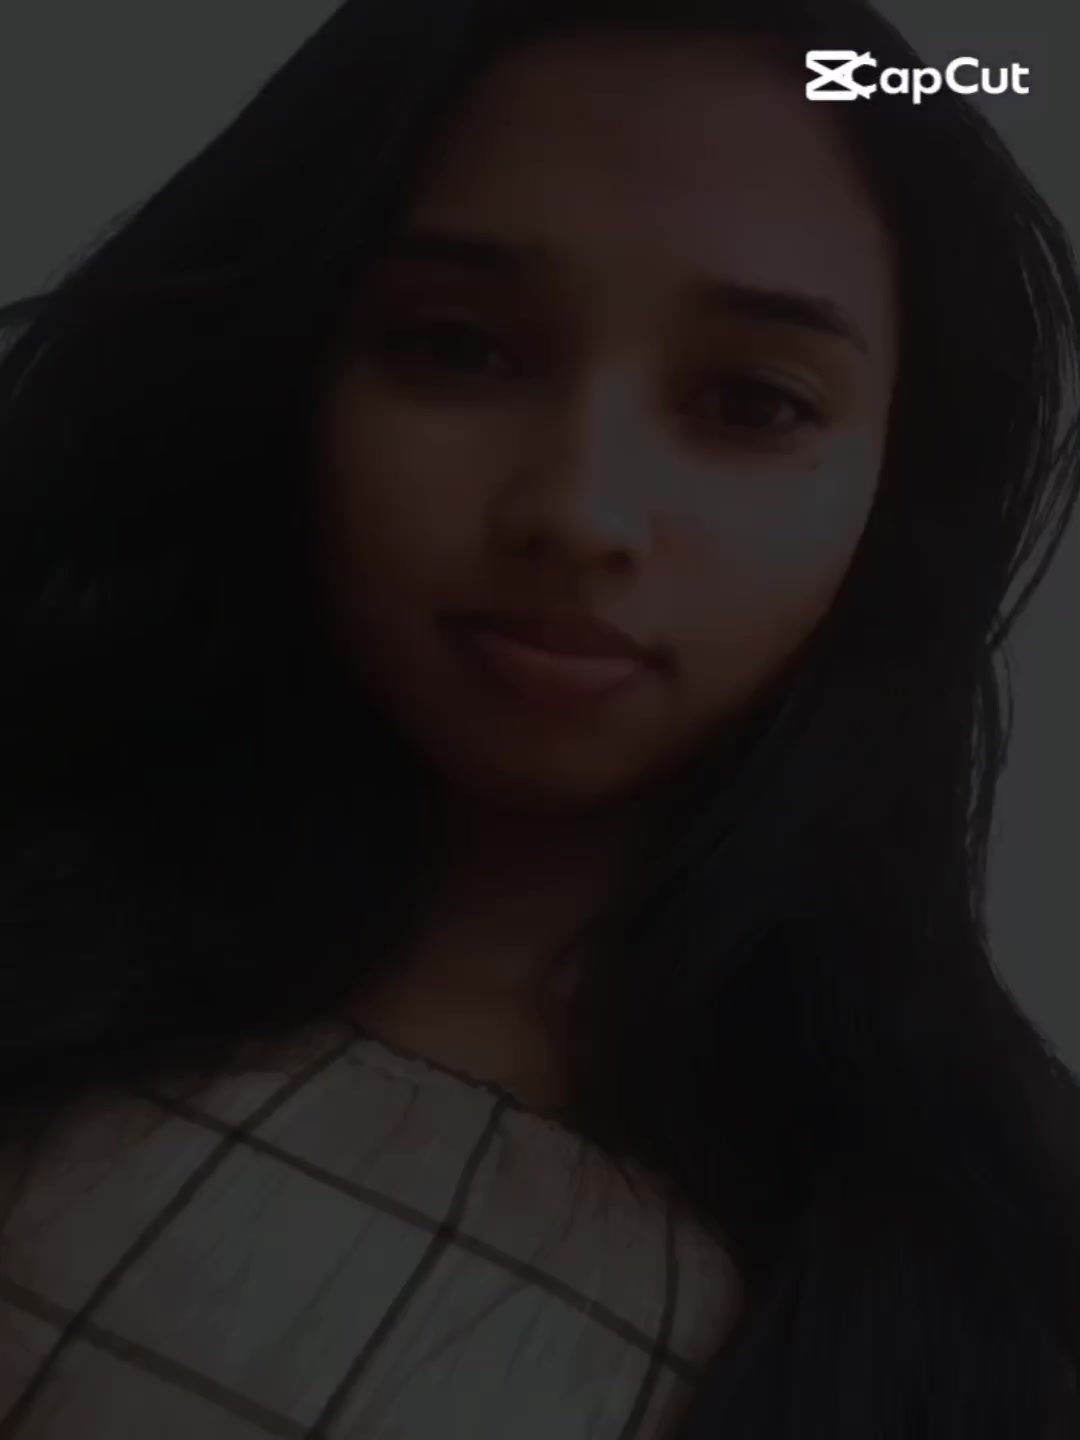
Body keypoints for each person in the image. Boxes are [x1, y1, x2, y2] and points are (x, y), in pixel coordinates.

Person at [1, 0, 1078, 1435]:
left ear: (897, 493)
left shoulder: (1008, 1248)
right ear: (288, 364)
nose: (580, 510)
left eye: (753, 402)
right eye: (457, 347)